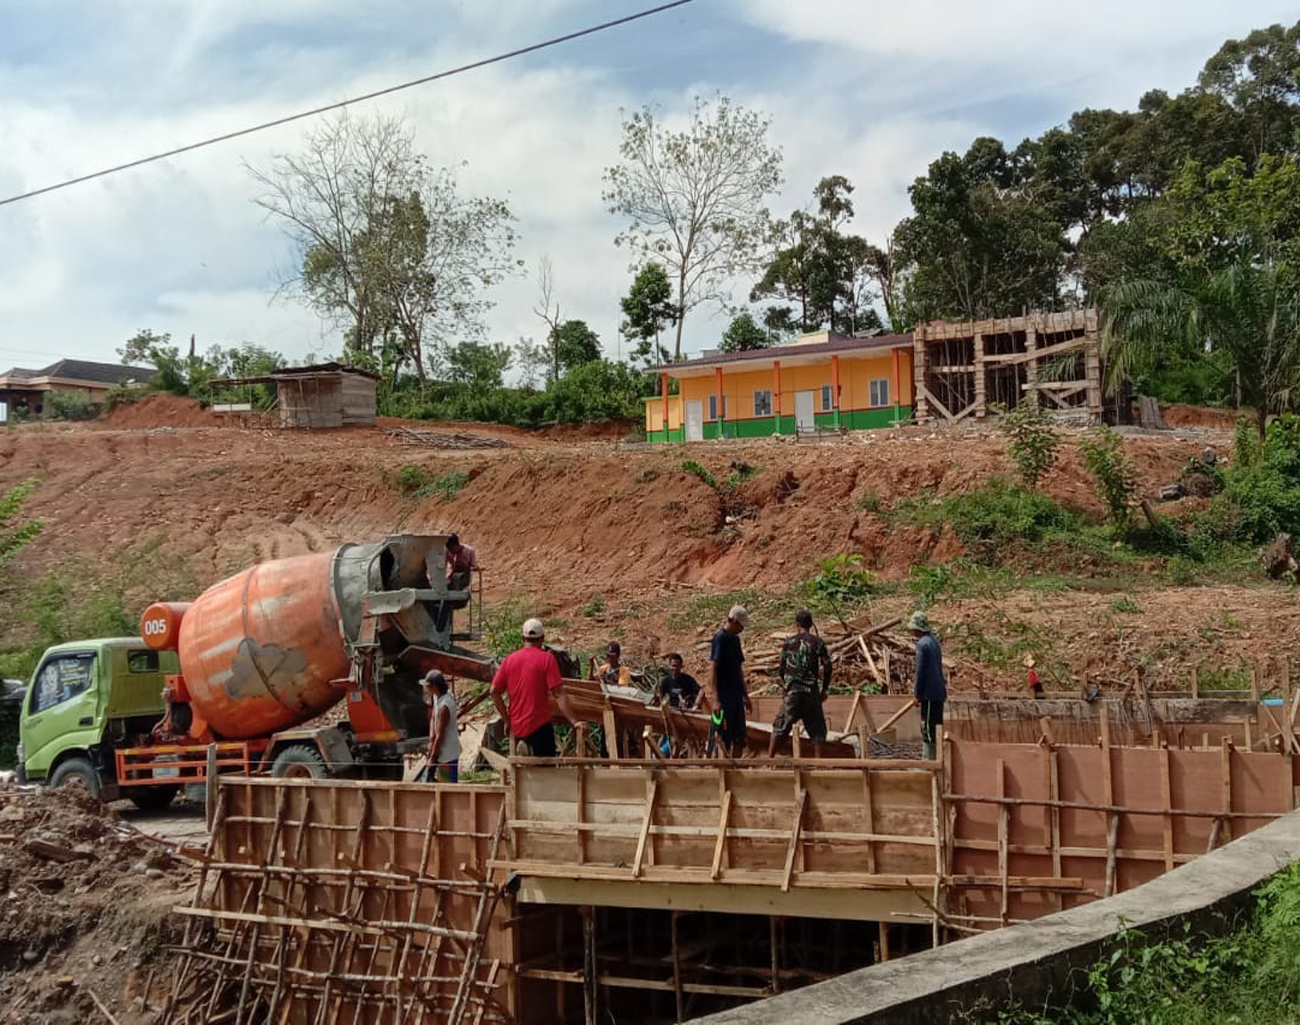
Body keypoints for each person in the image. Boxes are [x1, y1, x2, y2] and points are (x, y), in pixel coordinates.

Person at [491, 618, 582, 758]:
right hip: (540, 726)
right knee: (546, 773)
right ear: (543, 638)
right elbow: (558, 694)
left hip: (517, 726)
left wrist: (506, 720)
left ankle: (525, 746)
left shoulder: (509, 660)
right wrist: (574, 721)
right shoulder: (547, 659)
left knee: (523, 773)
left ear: (523, 638)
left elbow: (494, 692)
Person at [768, 610, 832, 758]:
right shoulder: (818, 642)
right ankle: (818, 765)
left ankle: (769, 761)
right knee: (817, 731)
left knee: (780, 726)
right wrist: (825, 689)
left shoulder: (789, 642)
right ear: (811, 624)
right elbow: (827, 666)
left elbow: (782, 668)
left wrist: (787, 685)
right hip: (810, 692)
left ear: (797, 624)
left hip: (793, 692)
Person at [707, 605, 751, 758]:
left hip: (736, 697)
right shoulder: (720, 638)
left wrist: (745, 695)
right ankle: (720, 772)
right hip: (724, 698)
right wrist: (715, 699)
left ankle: (735, 773)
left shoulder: (735, 640)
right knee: (721, 737)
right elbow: (713, 668)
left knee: (739, 738)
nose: (742, 629)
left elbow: (738, 669)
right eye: (740, 625)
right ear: (733, 621)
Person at [909, 611, 947, 761]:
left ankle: (929, 763)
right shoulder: (933, 641)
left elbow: (920, 672)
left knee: (928, 730)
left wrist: (917, 695)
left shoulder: (922, 644)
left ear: (918, 628)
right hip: (938, 693)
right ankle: (938, 760)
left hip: (929, 695)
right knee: (936, 728)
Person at [420, 670, 461, 782]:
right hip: (441, 752)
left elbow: (440, 736)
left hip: (448, 755)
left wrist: (431, 759)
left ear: (434, 687)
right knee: (441, 786)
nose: (427, 689)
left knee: (448, 789)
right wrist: (431, 739)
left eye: (428, 686)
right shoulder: (437, 696)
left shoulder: (445, 706)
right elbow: (433, 716)